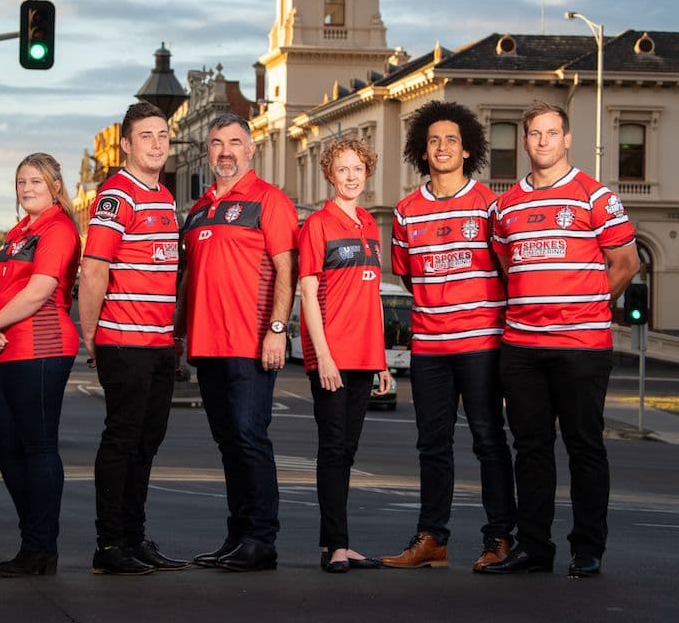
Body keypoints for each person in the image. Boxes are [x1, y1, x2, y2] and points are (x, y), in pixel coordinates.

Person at [482, 101, 638, 578]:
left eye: (552, 132)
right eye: (534, 133)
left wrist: (589, 307)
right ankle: (534, 547)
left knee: (584, 446)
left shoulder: (596, 197)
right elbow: (507, 266)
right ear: (525, 140)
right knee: (530, 449)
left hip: (581, 348)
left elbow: (626, 263)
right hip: (523, 348)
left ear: (567, 138)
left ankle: (587, 548)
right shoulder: (504, 206)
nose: (543, 141)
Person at [383, 101, 516, 572]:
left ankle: (500, 538)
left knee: (487, 439)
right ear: (423, 149)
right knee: (431, 445)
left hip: (481, 345)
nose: (442, 147)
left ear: (467, 150)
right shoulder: (405, 212)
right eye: (434, 140)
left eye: (451, 140)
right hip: (430, 349)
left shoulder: (491, 207)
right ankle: (432, 539)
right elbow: (409, 277)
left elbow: (506, 270)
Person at [176, 113, 298, 572]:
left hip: (250, 342)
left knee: (250, 438)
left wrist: (278, 329)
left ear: (250, 150)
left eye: (234, 143)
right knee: (228, 444)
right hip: (206, 346)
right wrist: (177, 334)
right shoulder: (199, 209)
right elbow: (189, 280)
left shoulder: (271, 201)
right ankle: (237, 536)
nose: (225, 152)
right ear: (208, 152)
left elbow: (286, 270)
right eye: (215, 144)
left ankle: (261, 540)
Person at [79, 102, 189, 575]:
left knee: (148, 442)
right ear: (126, 144)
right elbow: (93, 271)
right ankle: (109, 545)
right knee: (122, 441)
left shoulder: (163, 197)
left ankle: (134, 537)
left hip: (159, 344)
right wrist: (92, 337)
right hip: (123, 342)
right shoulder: (115, 196)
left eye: (162, 134)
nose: (157, 143)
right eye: (146, 136)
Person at [0, 153, 80, 577]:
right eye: (21, 181)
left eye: (36, 180)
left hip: (43, 346)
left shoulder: (59, 228)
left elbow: (40, 291)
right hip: (7, 346)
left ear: (55, 185)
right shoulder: (19, 231)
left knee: (37, 446)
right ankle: (34, 534)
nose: (27, 188)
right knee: (3, 442)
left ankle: (40, 547)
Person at [298, 137, 391, 574]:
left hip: (363, 356)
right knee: (333, 450)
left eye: (358, 168)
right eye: (343, 169)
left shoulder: (371, 226)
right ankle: (337, 545)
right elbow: (309, 294)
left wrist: (382, 360)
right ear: (329, 175)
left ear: (366, 172)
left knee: (348, 451)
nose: (351, 176)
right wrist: (324, 356)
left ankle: (333, 541)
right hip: (331, 357)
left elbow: (371, 298)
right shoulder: (317, 224)